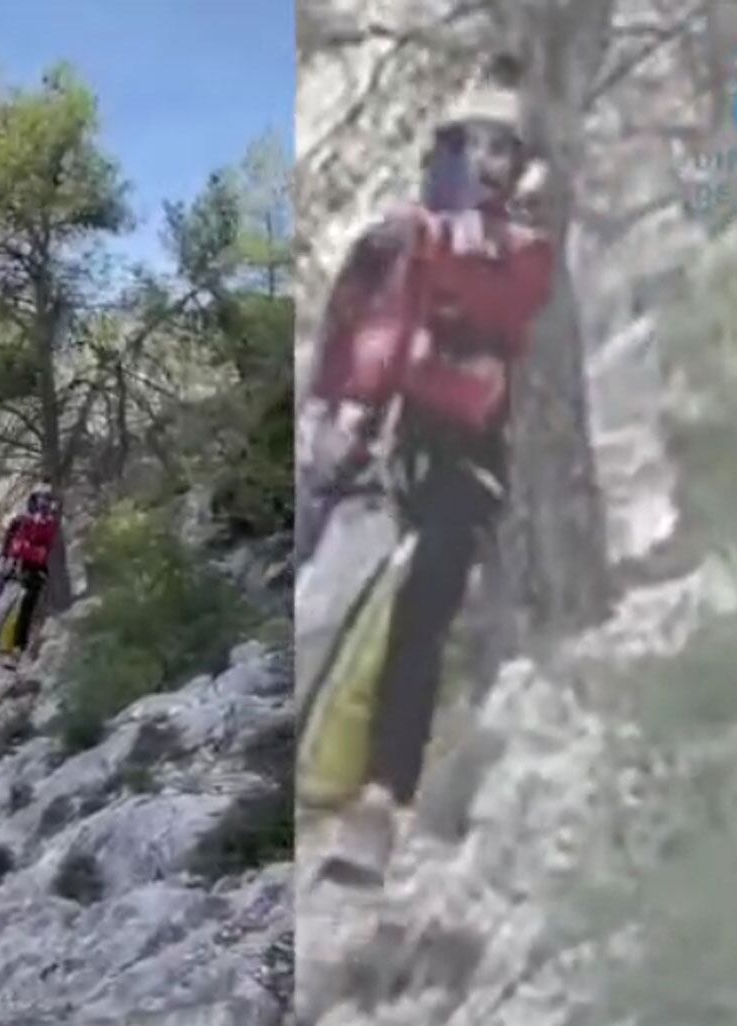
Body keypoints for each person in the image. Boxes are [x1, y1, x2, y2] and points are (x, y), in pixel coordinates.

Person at [298, 54, 555, 883]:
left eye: (501, 148)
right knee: (321, 608)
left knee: (418, 622)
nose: (484, 163)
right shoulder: (406, 235)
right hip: (379, 450)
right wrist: (340, 417)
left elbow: (500, 316)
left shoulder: (520, 253)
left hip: (461, 459)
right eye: (470, 144)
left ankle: (378, 805)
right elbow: (364, 335)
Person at [0, 487, 61, 670]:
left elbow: (39, 551)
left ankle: (14, 651)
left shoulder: (48, 526)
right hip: (14, 570)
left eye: (45, 501)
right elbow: (12, 546)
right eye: (39, 501)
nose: (42, 506)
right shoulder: (22, 522)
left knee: (20, 611)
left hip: (31, 573)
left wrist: (24, 549)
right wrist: (8, 559)